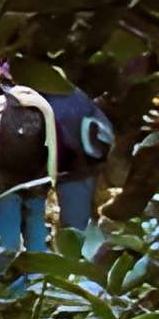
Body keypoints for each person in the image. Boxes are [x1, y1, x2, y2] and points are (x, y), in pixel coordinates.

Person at [0, 61, 61, 263]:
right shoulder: (44, 104)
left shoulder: (1, 103)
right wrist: (52, 178)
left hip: (4, 177)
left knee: (8, 234)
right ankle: (37, 277)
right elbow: (54, 143)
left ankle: (10, 282)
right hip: (37, 177)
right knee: (36, 227)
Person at [49, 78, 115, 238]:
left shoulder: (42, 99)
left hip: (68, 173)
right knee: (78, 228)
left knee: (73, 229)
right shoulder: (78, 96)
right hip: (83, 170)